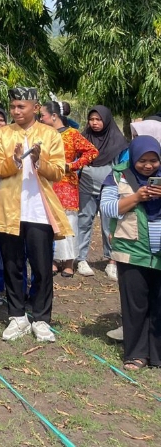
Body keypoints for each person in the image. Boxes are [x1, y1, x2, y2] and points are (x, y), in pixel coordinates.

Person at [0, 87, 72, 343]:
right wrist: (13, 161)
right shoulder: (2, 134)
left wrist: (39, 161)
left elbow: (59, 171)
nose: (15, 111)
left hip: (39, 210)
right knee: (12, 265)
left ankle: (41, 319)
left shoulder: (49, 135)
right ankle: (17, 316)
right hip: (9, 210)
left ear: (35, 108)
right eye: (13, 107)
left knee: (42, 267)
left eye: (20, 107)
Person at [102, 135, 161, 370]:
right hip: (131, 249)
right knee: (134, 304)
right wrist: (136, 197)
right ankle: (136, 354)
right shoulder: (118, 176)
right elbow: (107, 208)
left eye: (154, 161)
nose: (148, 166)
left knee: (159, 304)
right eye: (142, 161)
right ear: (133, 158)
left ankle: (156, 355)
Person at [40, 101, 98, 278]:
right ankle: (52, 260)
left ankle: (68, 263)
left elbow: (92, 151)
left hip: (66, 184)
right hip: (46, 182)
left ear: (54, 115)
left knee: (68, 222)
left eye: (43, 115)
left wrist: (73, 165)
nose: (41, 118)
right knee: (48, 221)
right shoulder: (42, 134)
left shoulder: (72, 134)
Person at [79, 105, 129, 280]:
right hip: (86, 186)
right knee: (84, 220)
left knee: (110, 224)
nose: (94, 123)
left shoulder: (118, 141)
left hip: (110, 188)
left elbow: (124, 165)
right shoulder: (83, 138)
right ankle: (81, 259)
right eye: (91, 119)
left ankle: (112, 261)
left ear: (106, 120)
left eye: (98, 119)